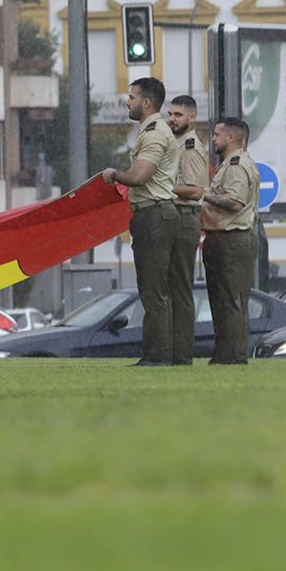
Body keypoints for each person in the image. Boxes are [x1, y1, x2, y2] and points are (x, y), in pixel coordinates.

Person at [103, 78, 181, 366]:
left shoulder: (153, 133)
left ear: (146, 102)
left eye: (132, 97)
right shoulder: (152, 130)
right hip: (155, 214)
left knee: (153, 291)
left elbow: (138, 177)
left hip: (154, 215)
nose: (127, 101)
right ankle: (157, 354)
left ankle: (157, 357)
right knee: (154, 290)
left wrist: (113, 174)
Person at [201, 117, 259, 365]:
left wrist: (205, 195)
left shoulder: (236, 165)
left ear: (232, 138)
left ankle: (234, 357)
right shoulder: (231, 163)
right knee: (225, 300)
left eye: (217, 134)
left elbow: (235, 202)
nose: (213, 138)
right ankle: (226, 355)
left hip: (232, 238)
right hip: (225, 238)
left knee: (232, 301)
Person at [167, 94, 208, 365]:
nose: (172, 119)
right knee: (170, 287)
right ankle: (172, 350)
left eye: (178, 115)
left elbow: (194, 190)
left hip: (184, 217)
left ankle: (181, 355)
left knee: (180, 288)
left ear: (191, 118)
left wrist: (162, 188)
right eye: (170, 115)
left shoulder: (191, 147)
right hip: (175, 217)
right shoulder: (176, 143)